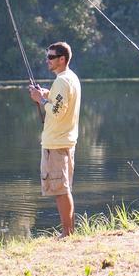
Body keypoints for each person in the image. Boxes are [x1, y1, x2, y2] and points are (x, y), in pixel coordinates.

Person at [29, 41, 82, 236]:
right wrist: (47, 94)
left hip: (57, 143)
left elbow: (57, 112)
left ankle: (67, 233)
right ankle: (69, 231)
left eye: (51, 57)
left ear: (62, 59)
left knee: (61, 190)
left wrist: (40, 99)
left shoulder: (61, 80)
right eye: (47, 57)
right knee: (64, 188)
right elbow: (61, 102)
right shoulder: (71, 78)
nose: (47, 60)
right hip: (66, 141)